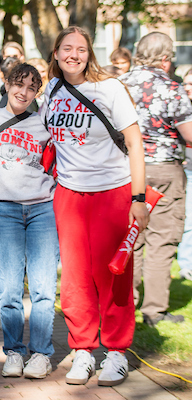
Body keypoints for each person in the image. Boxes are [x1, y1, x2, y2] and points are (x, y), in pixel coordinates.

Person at [40, 26, 149, 387]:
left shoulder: (109, 88)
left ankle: (116, 352)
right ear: (55, 53)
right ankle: (83, 350)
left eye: (81, 49)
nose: (73, 54)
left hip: (112, 192)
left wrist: (137, 198)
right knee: (74, 277)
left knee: (113, 274)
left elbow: (134, 143)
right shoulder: (52, 90)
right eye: (66, 48)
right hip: (69, 195)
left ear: (90, 53)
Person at [0, 63, 59, 379]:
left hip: (42, 210)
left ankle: (41, 353)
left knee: (43, 288)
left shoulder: (44, 125)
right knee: (9, 289)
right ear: (7, 85)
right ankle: (14, 351)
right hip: (4, 211)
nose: (23, 92)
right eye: (18, 85)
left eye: (30, 88)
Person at [120, 33, 192, 325]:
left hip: (126, 170)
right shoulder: (173, 88)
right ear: (166, 57)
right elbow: (189, 134)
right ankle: (154, 310)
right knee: (162, 240)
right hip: (164, 169)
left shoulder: (119, 84)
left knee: (131, 237)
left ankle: (127, 305)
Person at [178, 68, 192, 281]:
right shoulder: (180, 105)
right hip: (187, 167)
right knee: (189, 220)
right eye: (186, 84)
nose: (187, 88)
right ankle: (187, 265)